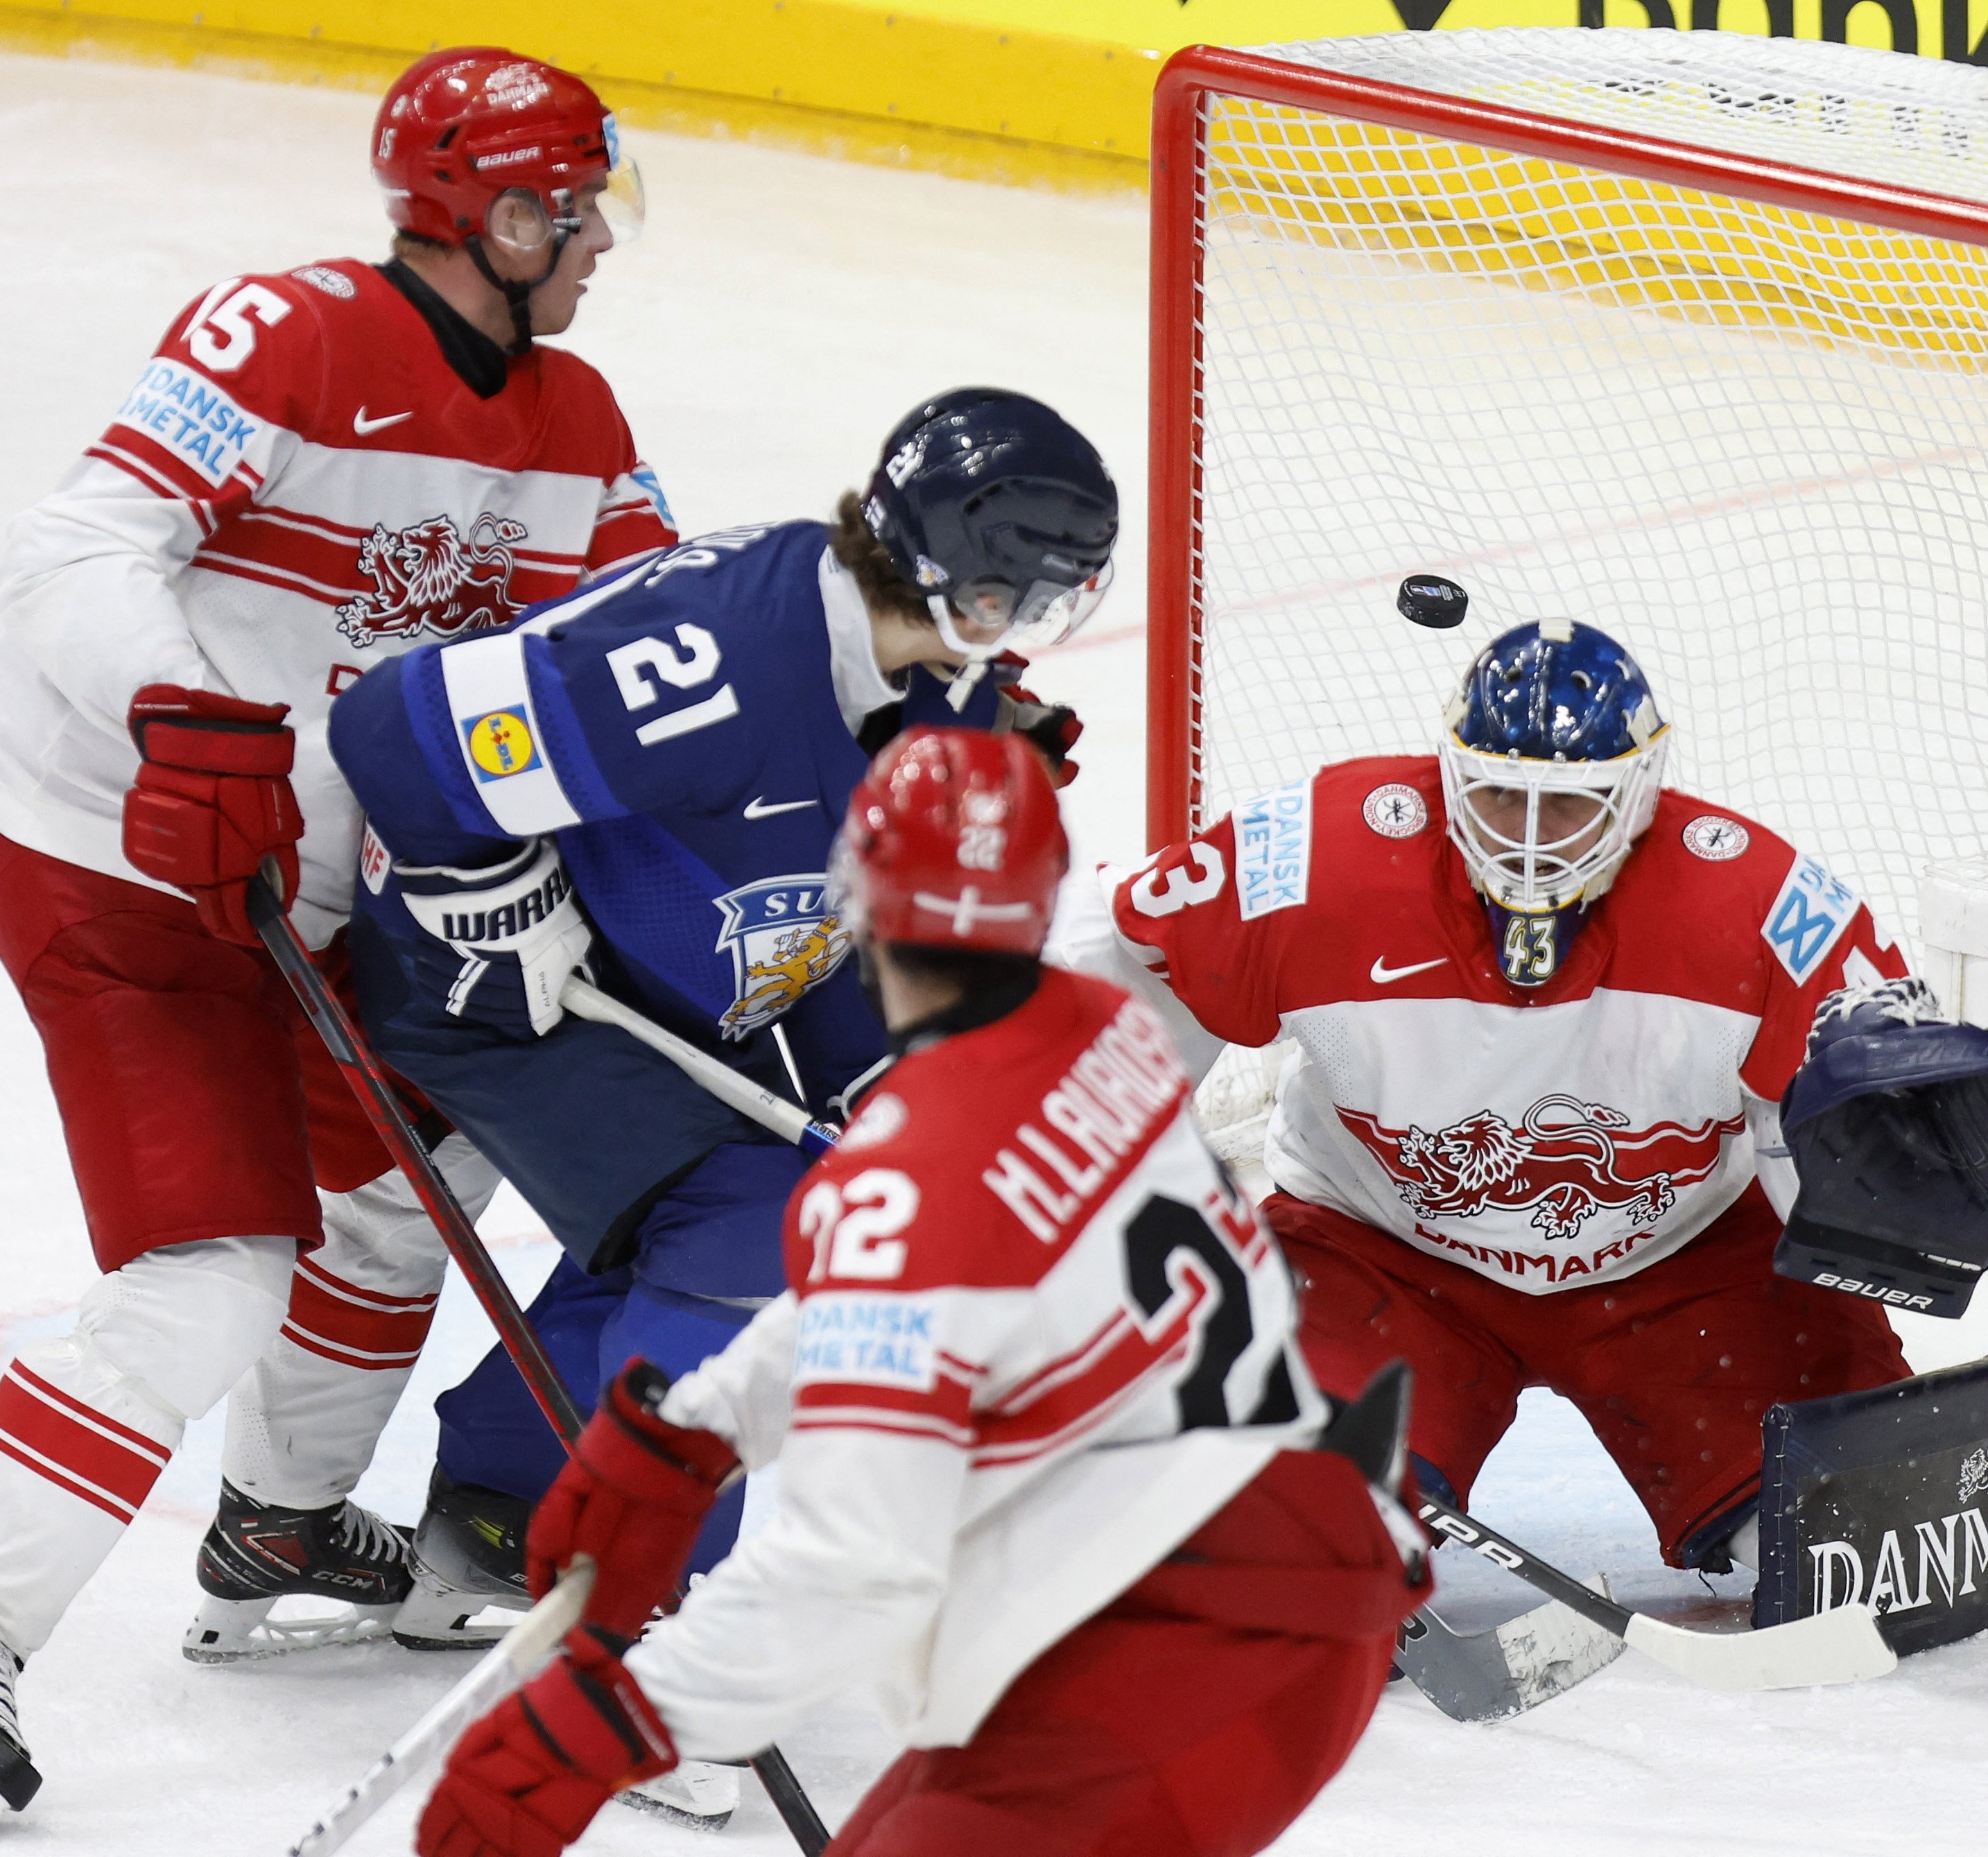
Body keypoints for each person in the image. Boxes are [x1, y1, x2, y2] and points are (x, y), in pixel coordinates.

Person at [0, 47, 676, 1842]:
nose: (601, 240)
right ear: (505, 217)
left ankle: (280, 1522)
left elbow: (644, 634)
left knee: (399, 1180)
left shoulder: (576, 420)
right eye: (578, 208)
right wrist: (183, 712)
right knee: (209, 1268)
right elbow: (74, 551)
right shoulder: (281, 333)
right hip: (119, 869)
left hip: (336, 883)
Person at [414, 726, 1429, 1857]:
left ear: (857, 903)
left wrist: (592, 1732)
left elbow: (851, 1566)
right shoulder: (1103, 1029)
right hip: (1293, 1565)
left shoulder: (901, 1180)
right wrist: (694, 1430)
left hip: (1177, 1659)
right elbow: (937, 1273)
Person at [323, 393, 1106, 1821]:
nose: (1041, 621)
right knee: (756, 1228)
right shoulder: (711, 658)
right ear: (961, 567)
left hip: (695, 975)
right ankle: (643, 1641)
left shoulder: (928, 671)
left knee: (832, 1188)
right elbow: (391, 729)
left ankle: (501, 1513)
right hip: (501, 984)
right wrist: (496, 891)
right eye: (1033, 587)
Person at [1052, 612, 1933, 1579]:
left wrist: (1895, 1202)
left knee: (1853, 1534)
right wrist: (1060, 1181)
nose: (1528, 839)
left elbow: (1854, 1120)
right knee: (1280, 1546)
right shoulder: (1309, 856)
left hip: (1686, 1269)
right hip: (1380, 1260)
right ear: (1450, 774)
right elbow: (1118, 957)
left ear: (1639, 793)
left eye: (1570, 805)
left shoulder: (1757, 899)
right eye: (1499, 794)